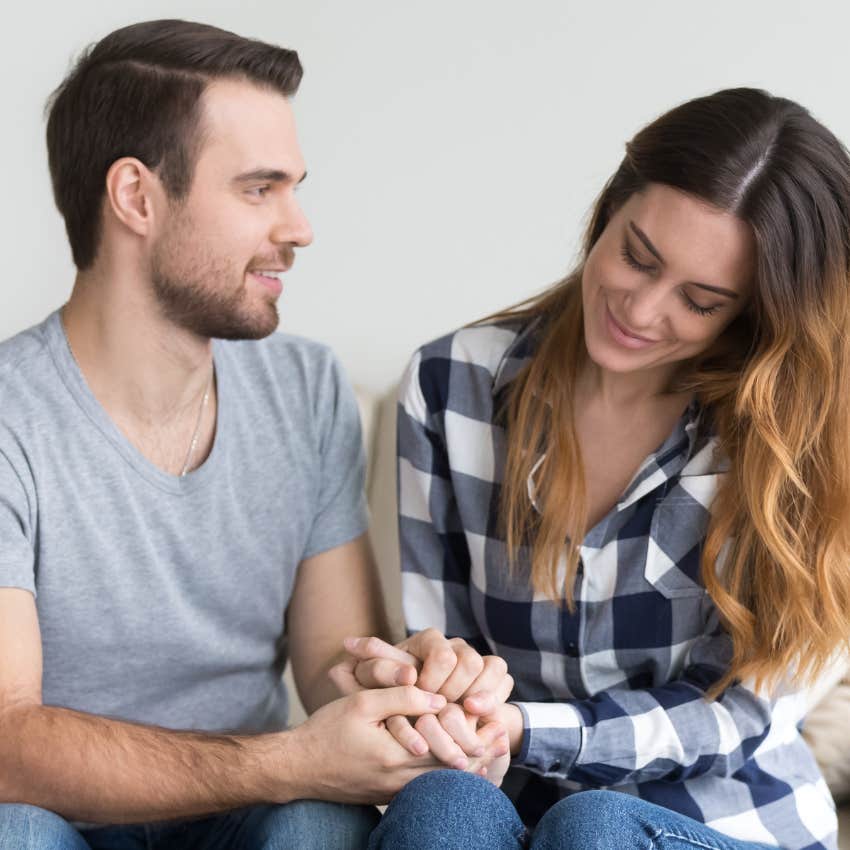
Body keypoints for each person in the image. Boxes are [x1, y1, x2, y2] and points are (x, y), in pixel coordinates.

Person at [0, 19, 512, 850]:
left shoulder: (305, 389)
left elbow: (327, 666)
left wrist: (405, 686)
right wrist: (286, 761)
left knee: (315, 823)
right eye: (258, 189)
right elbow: (7, 745)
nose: (300, 227)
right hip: (62, 821)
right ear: (136, 197)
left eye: (294, 186)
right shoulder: (10, 420)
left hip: (247, 817)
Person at [351, 88, 850, 849]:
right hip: (508, 797)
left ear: (755, 311)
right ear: (608, 211)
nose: (642, 310)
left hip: (726, 816)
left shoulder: (789, 438)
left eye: (701, 301)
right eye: (636, 257)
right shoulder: (450, 385)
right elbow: (441, 643)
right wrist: (444, 686)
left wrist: (529, 728)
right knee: (437, 812)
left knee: (594, 827)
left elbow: (735, 713)